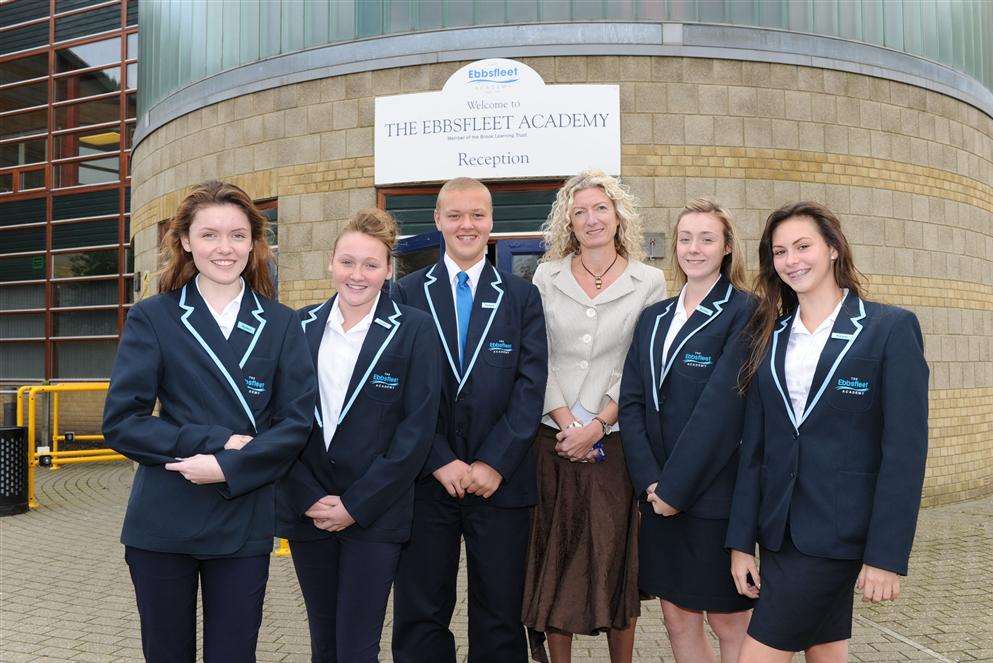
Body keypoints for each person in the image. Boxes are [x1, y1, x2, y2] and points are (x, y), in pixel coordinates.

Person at [102, 180, 316, 662]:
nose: (225, 248)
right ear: (185, 241)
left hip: (242, 517)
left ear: (254, 243)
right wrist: (214, 443)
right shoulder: (154, 317)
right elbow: (122, 422)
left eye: (238, 235)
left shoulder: (282, 324)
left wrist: (227, 467)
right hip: (164, 519)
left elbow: (296, 424)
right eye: (210, 235)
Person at [726, 201, 929, 661]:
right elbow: (755, 449)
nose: (791, 260)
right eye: (779, 252)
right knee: (826, 652)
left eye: (803, 246)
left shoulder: (889, 329)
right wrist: (741, 543)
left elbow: (905, 452)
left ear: (834, 248)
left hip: (840, 534)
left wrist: (886, 557)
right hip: (779, 534)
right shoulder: (769, 335)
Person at [391, 177, 548, 663]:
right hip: (425, 479)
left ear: (491, 222)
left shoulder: (522, 297)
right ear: (436, 221)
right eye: (455, 215)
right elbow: (397, 390)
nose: (466, 225)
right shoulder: (404, 294)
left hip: (501, 483)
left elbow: (530, 389)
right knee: (421, 613)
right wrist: (440, 460)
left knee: (499, 613)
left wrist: (493, 463)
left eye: (477, 215)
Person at [275, 209, 441, 662]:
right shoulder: (298, 326)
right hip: (310, 507)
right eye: (348, 262)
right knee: (323, 642)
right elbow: (277, 420)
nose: (357, 274)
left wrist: (355, 505)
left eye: (371, 264)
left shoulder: (414, 329)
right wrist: (307, 495)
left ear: (388, 270)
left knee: (357, 644)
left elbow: (417, 430)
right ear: (330, 263)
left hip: (375, 512)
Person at [523, 170, 666, 663]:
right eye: (579, 211)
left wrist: (599, 424)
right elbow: (535, 355)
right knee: (555, 558)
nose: (591, 219)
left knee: (611, 559)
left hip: (615, 440)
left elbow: (639, 362)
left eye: (600, 208)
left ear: (618, 214)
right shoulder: (546, 275)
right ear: (568, 220)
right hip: (553, 440)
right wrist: (567, 423)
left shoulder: (649, 281)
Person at [619, 199, 755, 663]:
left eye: (706, 239)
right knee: (678, 619)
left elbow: (722, 411)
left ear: (727, 248)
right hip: (658, 497)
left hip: (713, 497)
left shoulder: (747, 313)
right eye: (685, 238)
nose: (693, 249)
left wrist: (675, 488)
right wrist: (651, 481)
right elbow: (632, 401)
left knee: (729, 622)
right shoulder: (654, 317)